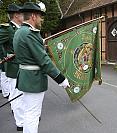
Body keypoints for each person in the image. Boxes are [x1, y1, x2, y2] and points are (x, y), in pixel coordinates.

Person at [13, 2, 70, 133]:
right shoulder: (30, 34)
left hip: (26, 79)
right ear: (33, 16)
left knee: (29, 113)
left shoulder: (20, 31)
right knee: (33, 115)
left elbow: (28, 53)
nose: (41, 19)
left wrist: (39, 43)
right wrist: (61, 79)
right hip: (34, 80)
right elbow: (44, 61)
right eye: (40, 16)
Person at [0, 3, 24, 131]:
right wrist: (5, 56)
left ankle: (24, 117)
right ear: (16, 15)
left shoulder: (21, 28)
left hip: (22, 68)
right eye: (22, 14)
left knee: (22, 95)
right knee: (16, 95)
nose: (24, 16)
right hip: (14, 68)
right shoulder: (7, 29)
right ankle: (20, 123)